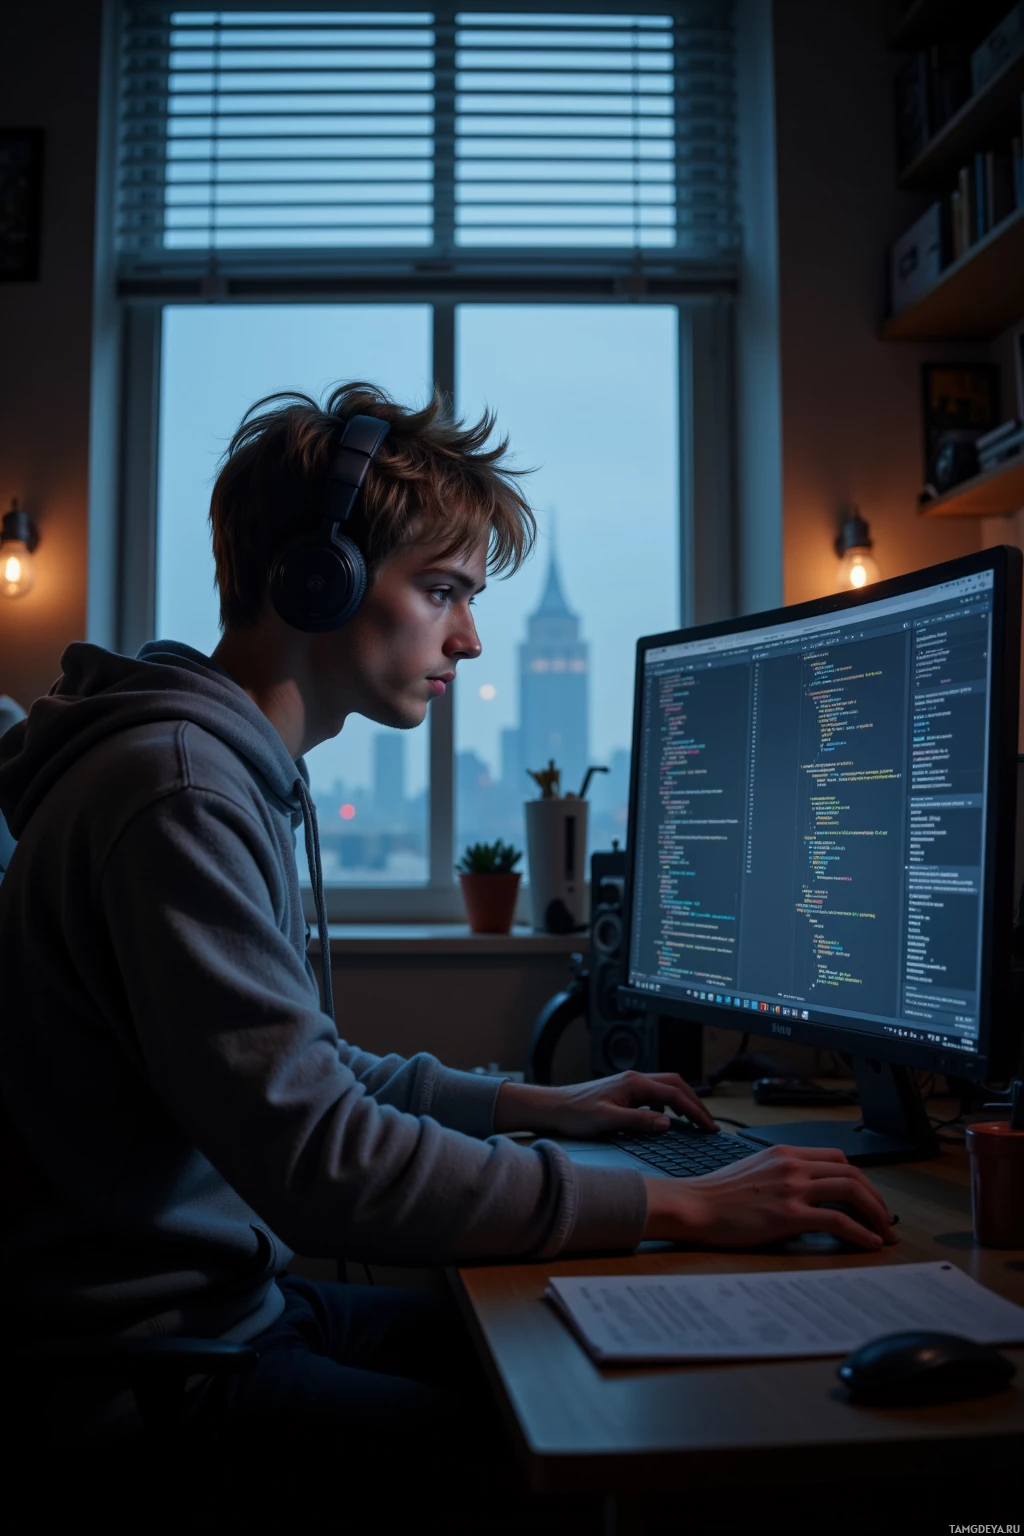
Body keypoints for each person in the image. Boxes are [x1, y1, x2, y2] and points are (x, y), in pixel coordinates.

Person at [0, 383, 894, 1488]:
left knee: (574, 1349)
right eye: (441, 592)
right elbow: (320, 1159)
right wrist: (682, 1199)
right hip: (147, 1378)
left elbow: (299, 1079)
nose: (468, 639)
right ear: (311, 581)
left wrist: (533, 1106)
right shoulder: (179, 795)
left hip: (237, 1313)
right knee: (599, 1450)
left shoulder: (214, 776)